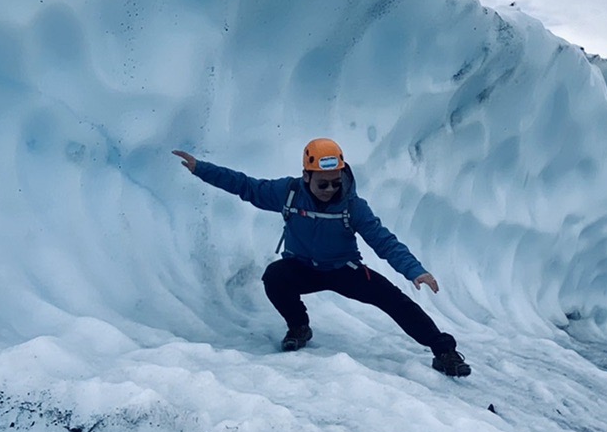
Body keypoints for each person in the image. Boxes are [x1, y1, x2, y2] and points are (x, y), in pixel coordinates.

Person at [173, 138, 472, 377]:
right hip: (302, 267)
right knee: (275, 277)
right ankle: (299, 326)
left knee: (395, 301)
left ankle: (443, 351)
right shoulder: (288, 193)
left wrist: (415, 271)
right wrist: (202, 169)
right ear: (306, 176)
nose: (331, 189)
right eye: (323, 183)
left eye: (336, 182)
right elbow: (246, 186)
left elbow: (384, 241)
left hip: (344, 269)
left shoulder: (353, 206)